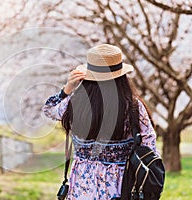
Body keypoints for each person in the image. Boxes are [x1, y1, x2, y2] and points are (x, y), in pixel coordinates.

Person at [42, 44, 158, 200]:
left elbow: (49, 109)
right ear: (121, 76)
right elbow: (149, 144)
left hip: (82, 184)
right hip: (120, 184)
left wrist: (67, 89)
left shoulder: (75, 103)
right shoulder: (132, 106)